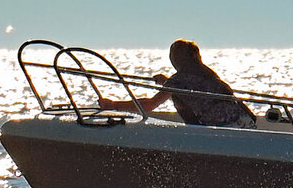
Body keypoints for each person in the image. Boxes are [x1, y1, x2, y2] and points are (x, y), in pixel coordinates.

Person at [99, 39, 256, 128]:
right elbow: (192, 90)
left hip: (225, 130)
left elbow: (148, 105)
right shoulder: (207, 73)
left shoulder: (178, 81)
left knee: (177, 98)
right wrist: (167, 83)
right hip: (245, 123)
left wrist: (113, 104)